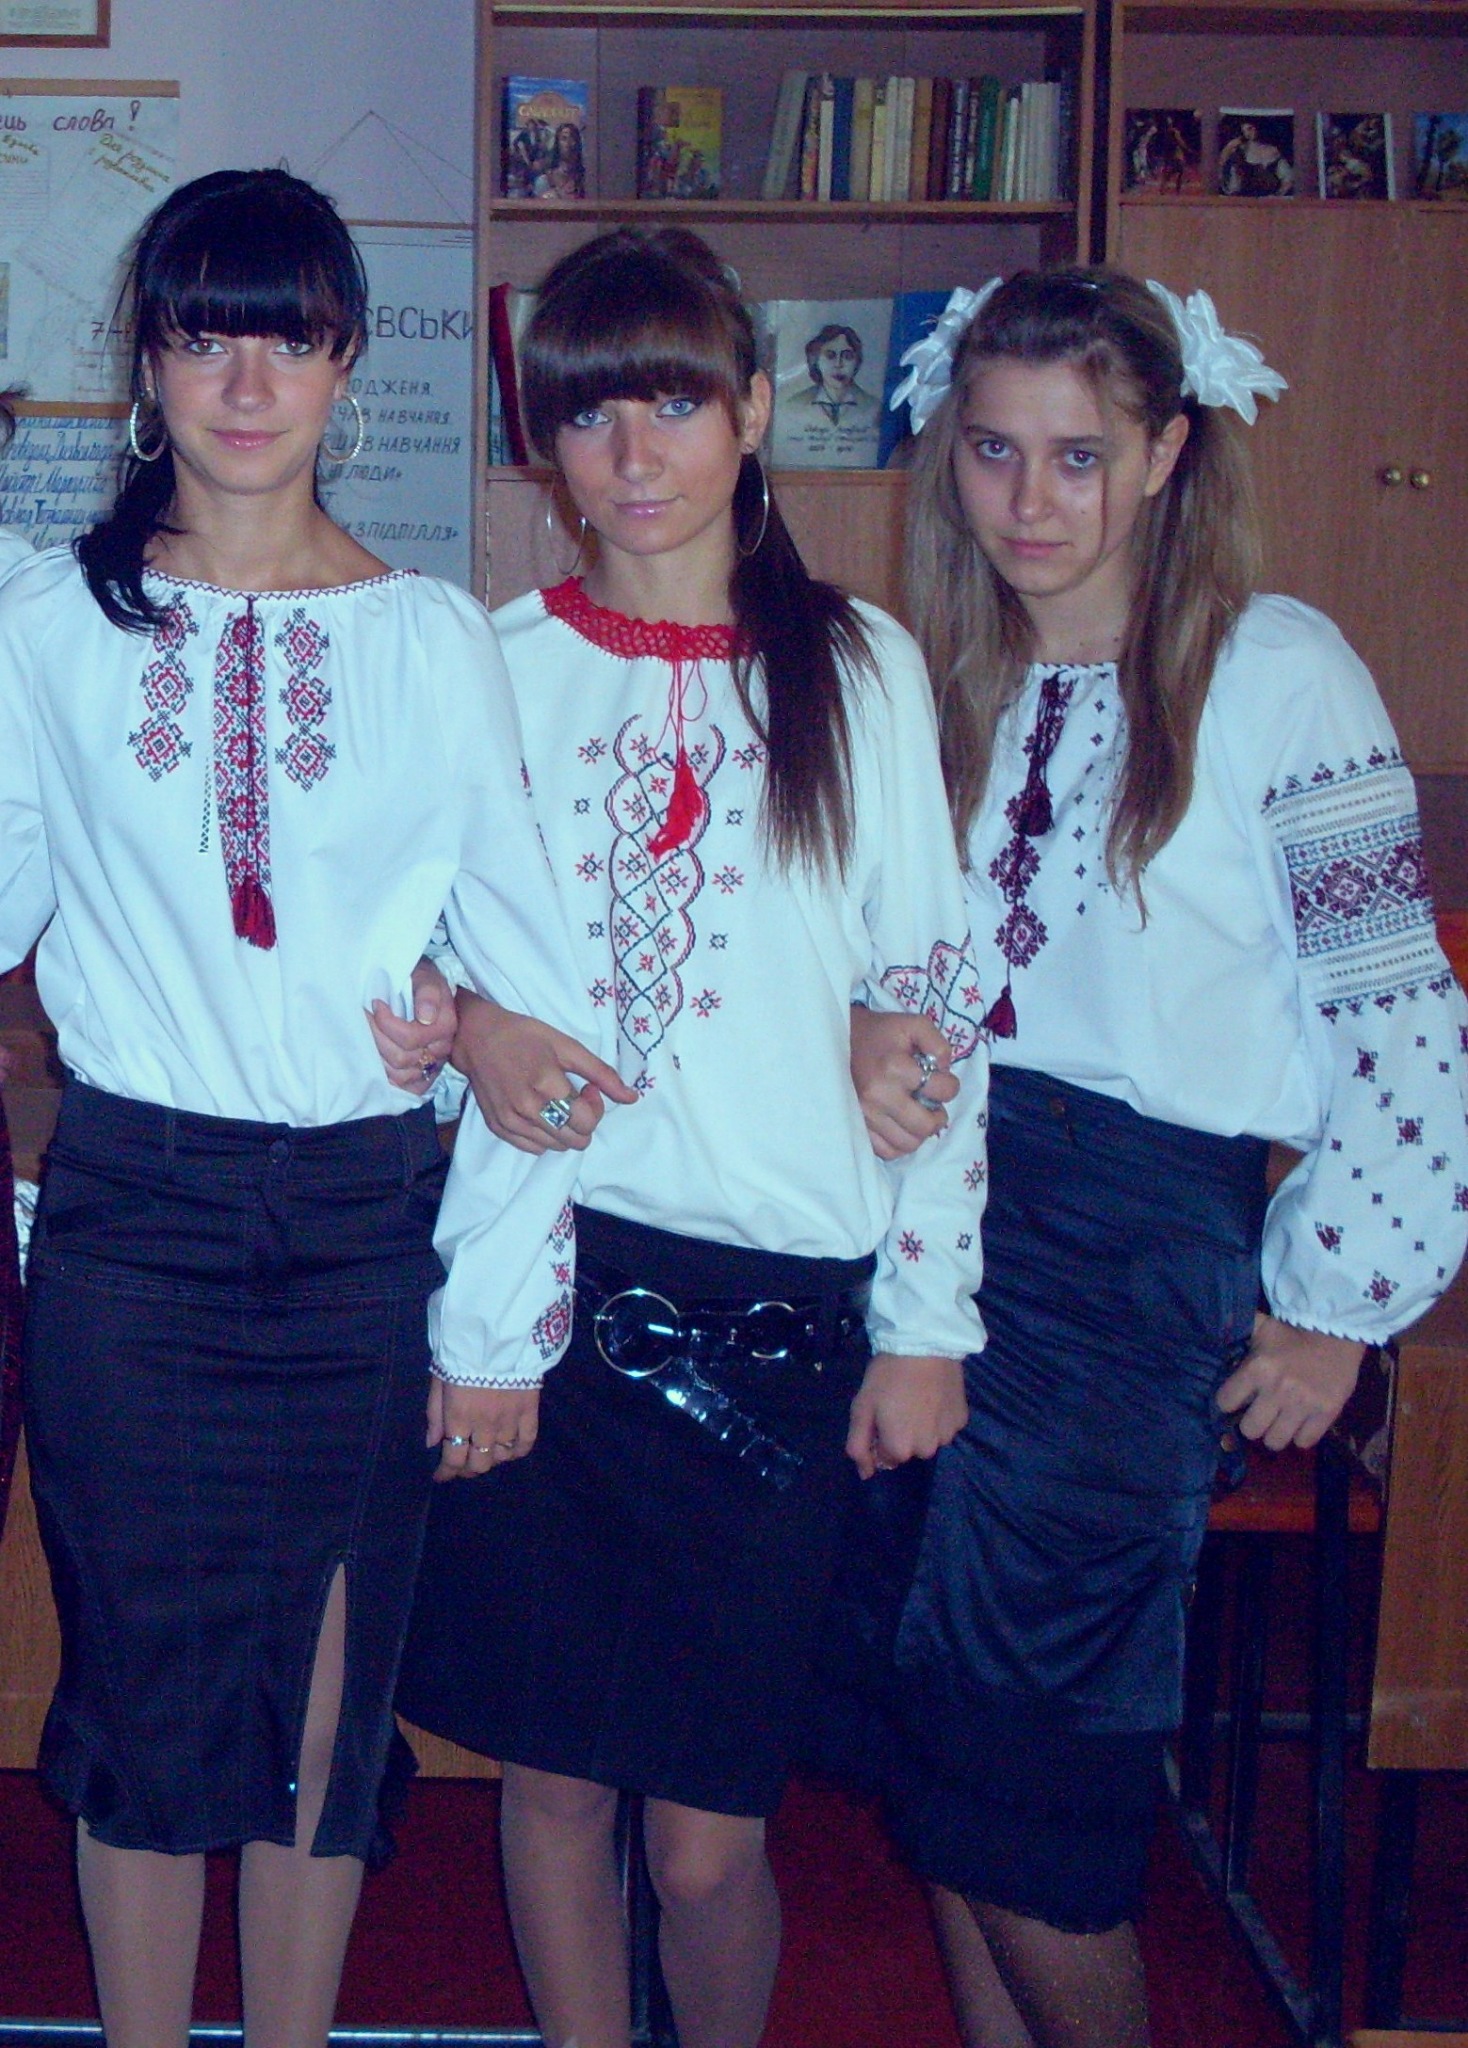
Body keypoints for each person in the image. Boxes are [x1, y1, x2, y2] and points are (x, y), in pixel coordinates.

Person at [840, 267, 1468, 2048]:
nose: (1030, 501)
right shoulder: (936, 676)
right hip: (930, 1228)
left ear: (1168, 452)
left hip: (1132, 1254)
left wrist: (1335, 1302)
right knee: (945, 1757)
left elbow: (1396, 1007)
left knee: (1036, 1780)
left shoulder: (1278, 673)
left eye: (1079, 456)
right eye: (993, 453)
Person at [0, 168, 579, 2048]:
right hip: (129, 1226)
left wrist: (495, 1315)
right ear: (147, 365)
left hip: (355, 1229)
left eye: (289, 339)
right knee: (144, 1702)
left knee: (328, 1722)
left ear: (347, 362)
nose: (247, 383)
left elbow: (539, 1003)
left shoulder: (433, 640)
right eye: (203, 337)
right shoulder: (47, 623)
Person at [395, 224, 992, 2048]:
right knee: (555, 1788)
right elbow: (398, 971)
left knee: (712, 1843)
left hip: (781, 1325)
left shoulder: (861, 668)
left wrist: (927, 1324)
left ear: (752, 410)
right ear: (543, 447)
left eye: (671, 402)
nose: (633, 453)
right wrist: (470, 1026)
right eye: (589, 416)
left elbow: (934, 1005)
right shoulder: (486, 662)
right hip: (555, 1297)